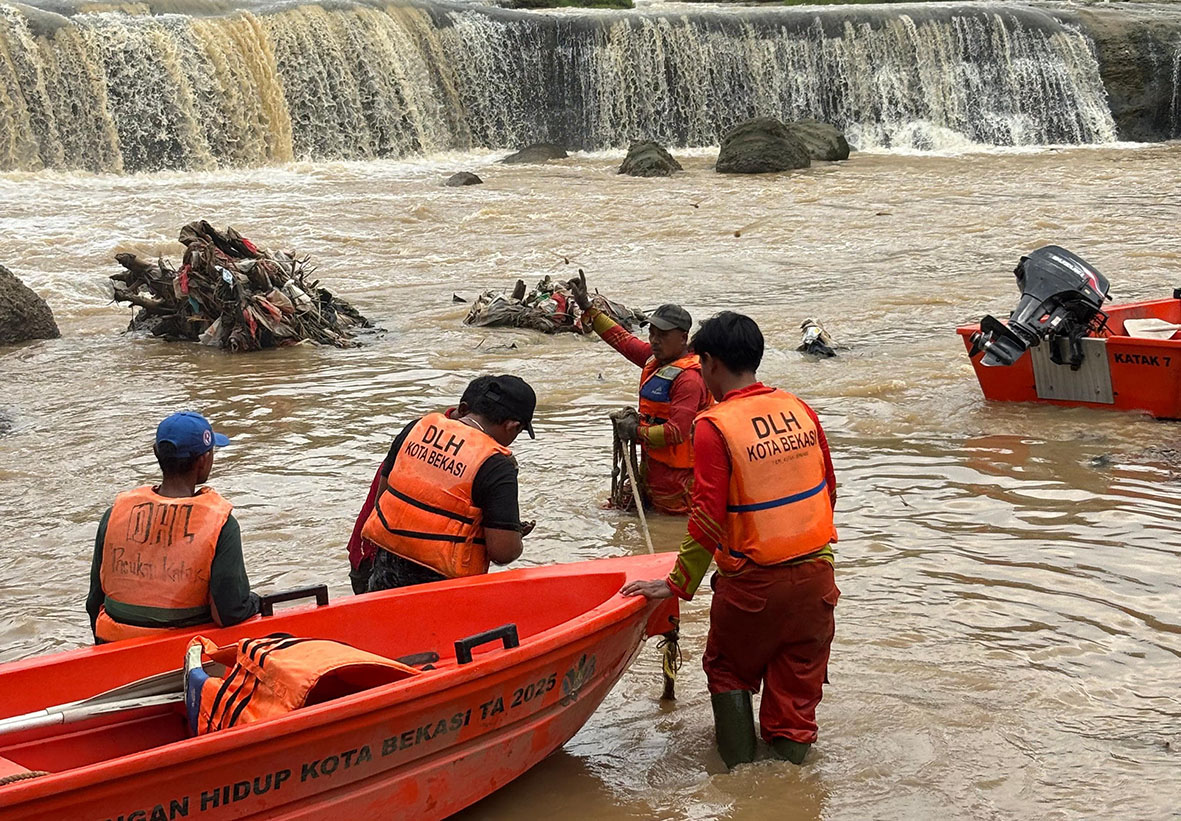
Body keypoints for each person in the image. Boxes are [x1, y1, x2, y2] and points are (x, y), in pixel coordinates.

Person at [621, 312, 840, 769]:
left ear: (712, 363)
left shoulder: (714, 425)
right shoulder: (800, 408)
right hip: (818, 579)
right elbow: (828, 490)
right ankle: (786, 793)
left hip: (752, 585)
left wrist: (677, 584)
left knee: (727, 672)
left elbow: (706, 518)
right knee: (796, 697)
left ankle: (739, 784)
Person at [86, 411, 259, 644]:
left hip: (115, 646)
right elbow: (229, 612)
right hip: (183, 649)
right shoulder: (221, 524)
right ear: (203, 460)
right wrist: (256, 601)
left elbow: (94, 601)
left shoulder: (114, 515)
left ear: (157, 452)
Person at [362, 375, 536, 591]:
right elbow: (503, 552)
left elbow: (383, 497)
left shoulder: (417, 428)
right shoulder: (496, 464)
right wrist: (515, 533)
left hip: (383, 582)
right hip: (444, 594)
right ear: (513, 426)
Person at [567, 272, 711, 514]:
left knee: (670, 523)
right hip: (653, 465)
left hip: (681, 477)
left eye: (662, 335)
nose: (654, 340)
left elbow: (677, 432)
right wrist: (587, 307)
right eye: (652, 333)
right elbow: (622, 339)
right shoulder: (655, 359)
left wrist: (635, 432)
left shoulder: (689, 379)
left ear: (683, 338)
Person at [345, 376, 494, 594]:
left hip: (378, 553)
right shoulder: (434, 444)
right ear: (462, 411)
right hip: (379, 559)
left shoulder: (424, 435)